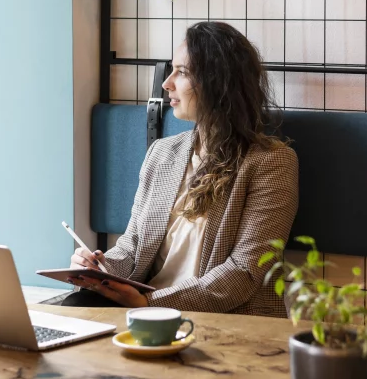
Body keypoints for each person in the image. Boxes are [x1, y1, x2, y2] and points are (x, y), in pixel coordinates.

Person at [63, 21, 298, 314]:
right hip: (145, 309)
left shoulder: (271, 162)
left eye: (182, 72)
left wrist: (150, 302)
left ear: (218, 82)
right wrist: (99, 267)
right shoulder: (162, 153)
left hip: (220, 317)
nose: (167, 83)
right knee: (73, 308)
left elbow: (246, 271)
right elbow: (133, 246)